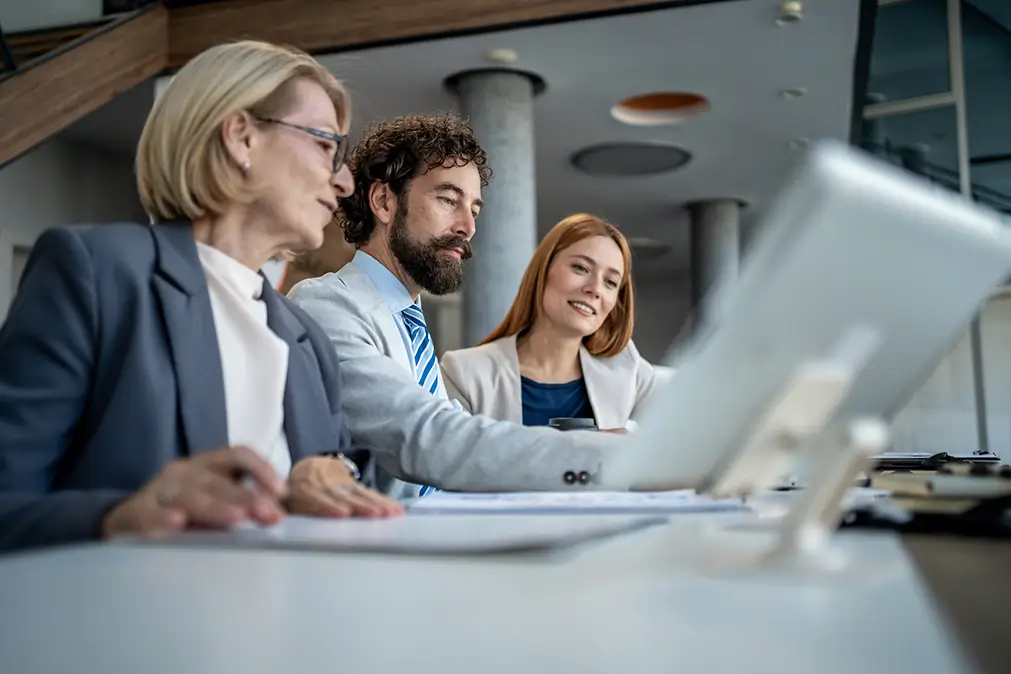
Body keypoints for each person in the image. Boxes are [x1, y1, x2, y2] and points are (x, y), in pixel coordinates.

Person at [0, 40, 401, 552]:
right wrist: (122, 514)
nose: (344, 181)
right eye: (327, 146)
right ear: (241, 137)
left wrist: (331, 476)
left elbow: (341, 474)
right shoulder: (95, 274)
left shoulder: (309, 341)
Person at [288, 114, 617, 499]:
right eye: (448, 199)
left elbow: (459, 439)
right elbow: (428, 438)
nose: (468, 227)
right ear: (382, 201)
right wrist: (607, 458)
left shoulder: (407, 322)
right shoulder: (324, 307)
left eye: (474, 210)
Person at [440, 214, 657, 430]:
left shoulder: (628, 370)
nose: (595, 289)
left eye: (610, 282)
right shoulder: (464, 373)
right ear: (543, 270)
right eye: (581, 268)